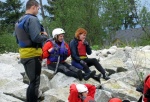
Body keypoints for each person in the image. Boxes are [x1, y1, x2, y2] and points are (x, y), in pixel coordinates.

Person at [14, 0, 48, 102]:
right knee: (35, 82)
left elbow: (17, 39)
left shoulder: (19, 21)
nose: (38, 11)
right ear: (33, 7)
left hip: (24, 55)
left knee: (32, 82)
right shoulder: (32, 19)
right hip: (33, 55)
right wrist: (45, 36)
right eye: (38, 8)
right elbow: (36, 38)